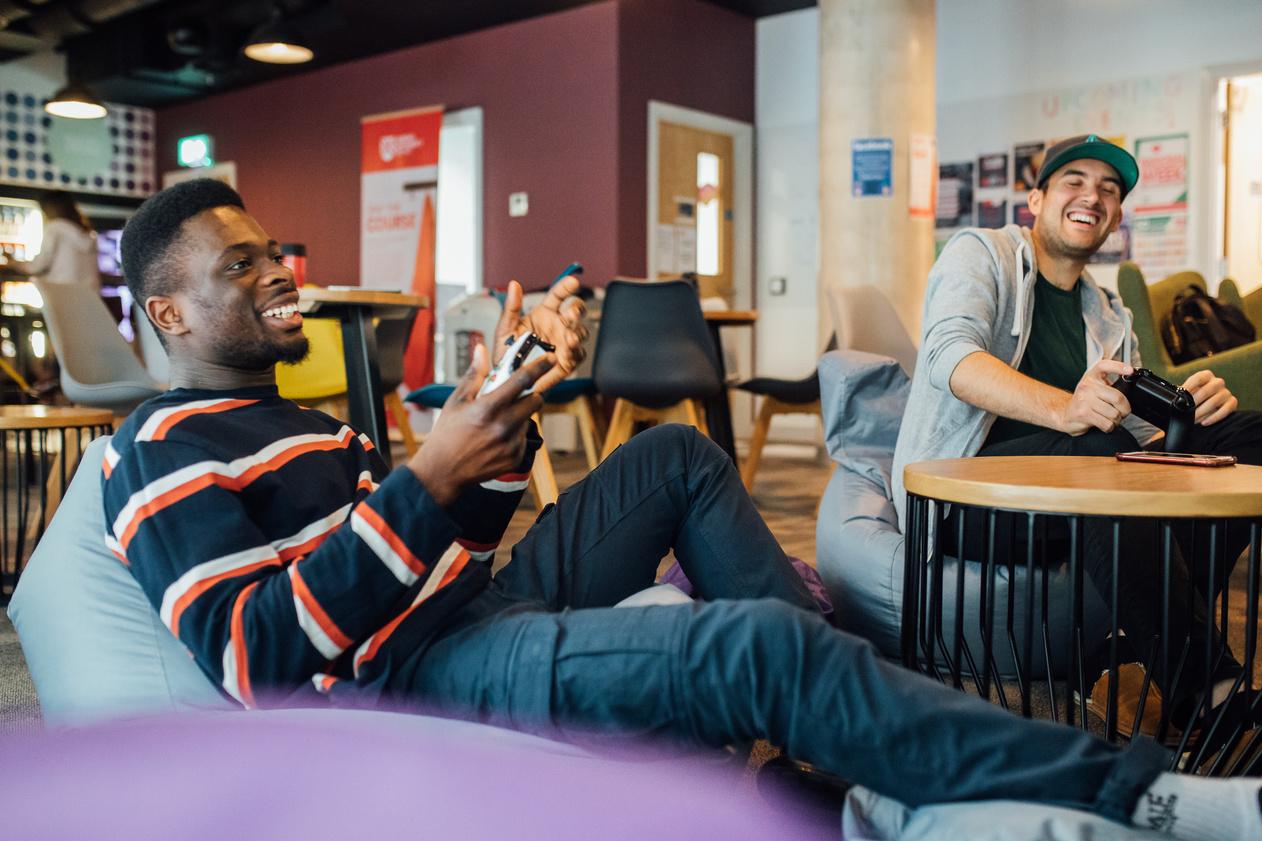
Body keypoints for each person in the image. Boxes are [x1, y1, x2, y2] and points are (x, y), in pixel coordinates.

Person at [106, 178, 1260, 841]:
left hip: (472, 604)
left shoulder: (314, 426)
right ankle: (1139, 795)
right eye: (242, 265)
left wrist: (499, 424)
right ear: (168, 313)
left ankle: (841, 727)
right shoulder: (155, 452)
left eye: (272, 253)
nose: (280, 273)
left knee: (675, 454)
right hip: (411, 678)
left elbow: (454, 542)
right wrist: (425, 479)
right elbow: (254, 658)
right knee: (754, 645)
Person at [892, 134, 1262, 746]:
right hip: (966, 494)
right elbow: (948, 356)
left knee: (1244, 435)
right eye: (1074, 181)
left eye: (1109, 190)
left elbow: (1138, 434)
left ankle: (1132, 647)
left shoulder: (1108, 309)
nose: (1093, 195)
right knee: (1094, 451)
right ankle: (1205, 684)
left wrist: (1191, 418)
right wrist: (1065, 409)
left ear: (1114, 219)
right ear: (1036, 200)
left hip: (1073, 494)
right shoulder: (980, 253)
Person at [0, 190, 101, 286]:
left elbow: (36, 267)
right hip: (88, 294)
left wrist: (13, 263)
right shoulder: (87, 232)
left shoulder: (55, 228)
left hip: (62, 292)